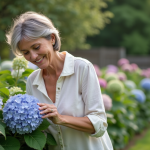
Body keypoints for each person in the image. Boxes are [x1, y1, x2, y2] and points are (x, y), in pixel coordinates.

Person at [6, 11, 113, 150]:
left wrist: (61, 119)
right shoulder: (32, 80)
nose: (33, 56)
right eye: (25, 52)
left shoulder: (82, 68)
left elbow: (100, 124)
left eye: (36, 47)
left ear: (52, 38)